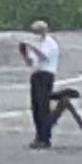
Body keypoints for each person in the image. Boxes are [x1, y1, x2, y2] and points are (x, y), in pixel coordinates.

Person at [19, 20, 60, 148]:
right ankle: (39, 135)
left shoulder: (50, 43)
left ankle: (45, 138)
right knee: (36, 107)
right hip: (36, 74)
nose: (35, 35)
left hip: (46, 74)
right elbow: (31, 62)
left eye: (37, 32)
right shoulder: (38, 43)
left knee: (43, 106)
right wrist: (25, 53)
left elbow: (44, 57)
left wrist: (32, 47)